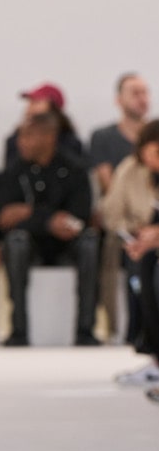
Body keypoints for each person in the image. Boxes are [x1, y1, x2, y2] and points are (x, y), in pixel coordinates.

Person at [0, 112, 99, 346]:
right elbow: (3, 217)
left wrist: (28, 213)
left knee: (89, 242)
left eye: (28, 136)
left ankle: (85, 330)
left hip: (66, 244)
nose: (21, 142)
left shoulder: (74, 169)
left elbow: (80, 215)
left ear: (49, 137)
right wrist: (47, 220)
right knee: (16, 242)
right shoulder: (14, 171)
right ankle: (18, 330)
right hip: (30, 245)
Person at [89, 72, 151, 341]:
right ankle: (129, 331)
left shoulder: (153, 136)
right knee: (132, 253)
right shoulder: (106, 140)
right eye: (135, 93)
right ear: (119, 99)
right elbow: (110, 189)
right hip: (124, 223)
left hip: (150, 222)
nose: (142, 98)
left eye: (145, 92)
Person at [100, 119, 159, 386]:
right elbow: (112, 213)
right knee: (145, 267)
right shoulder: (130, 170)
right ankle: (153, 354)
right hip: (142, 240)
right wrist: (138, 235)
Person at [3, 83, 85, 168]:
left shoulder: (70, 143)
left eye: (36, 102)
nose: (29, 108)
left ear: (54, 108)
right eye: (29, 102)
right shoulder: (14, 141)